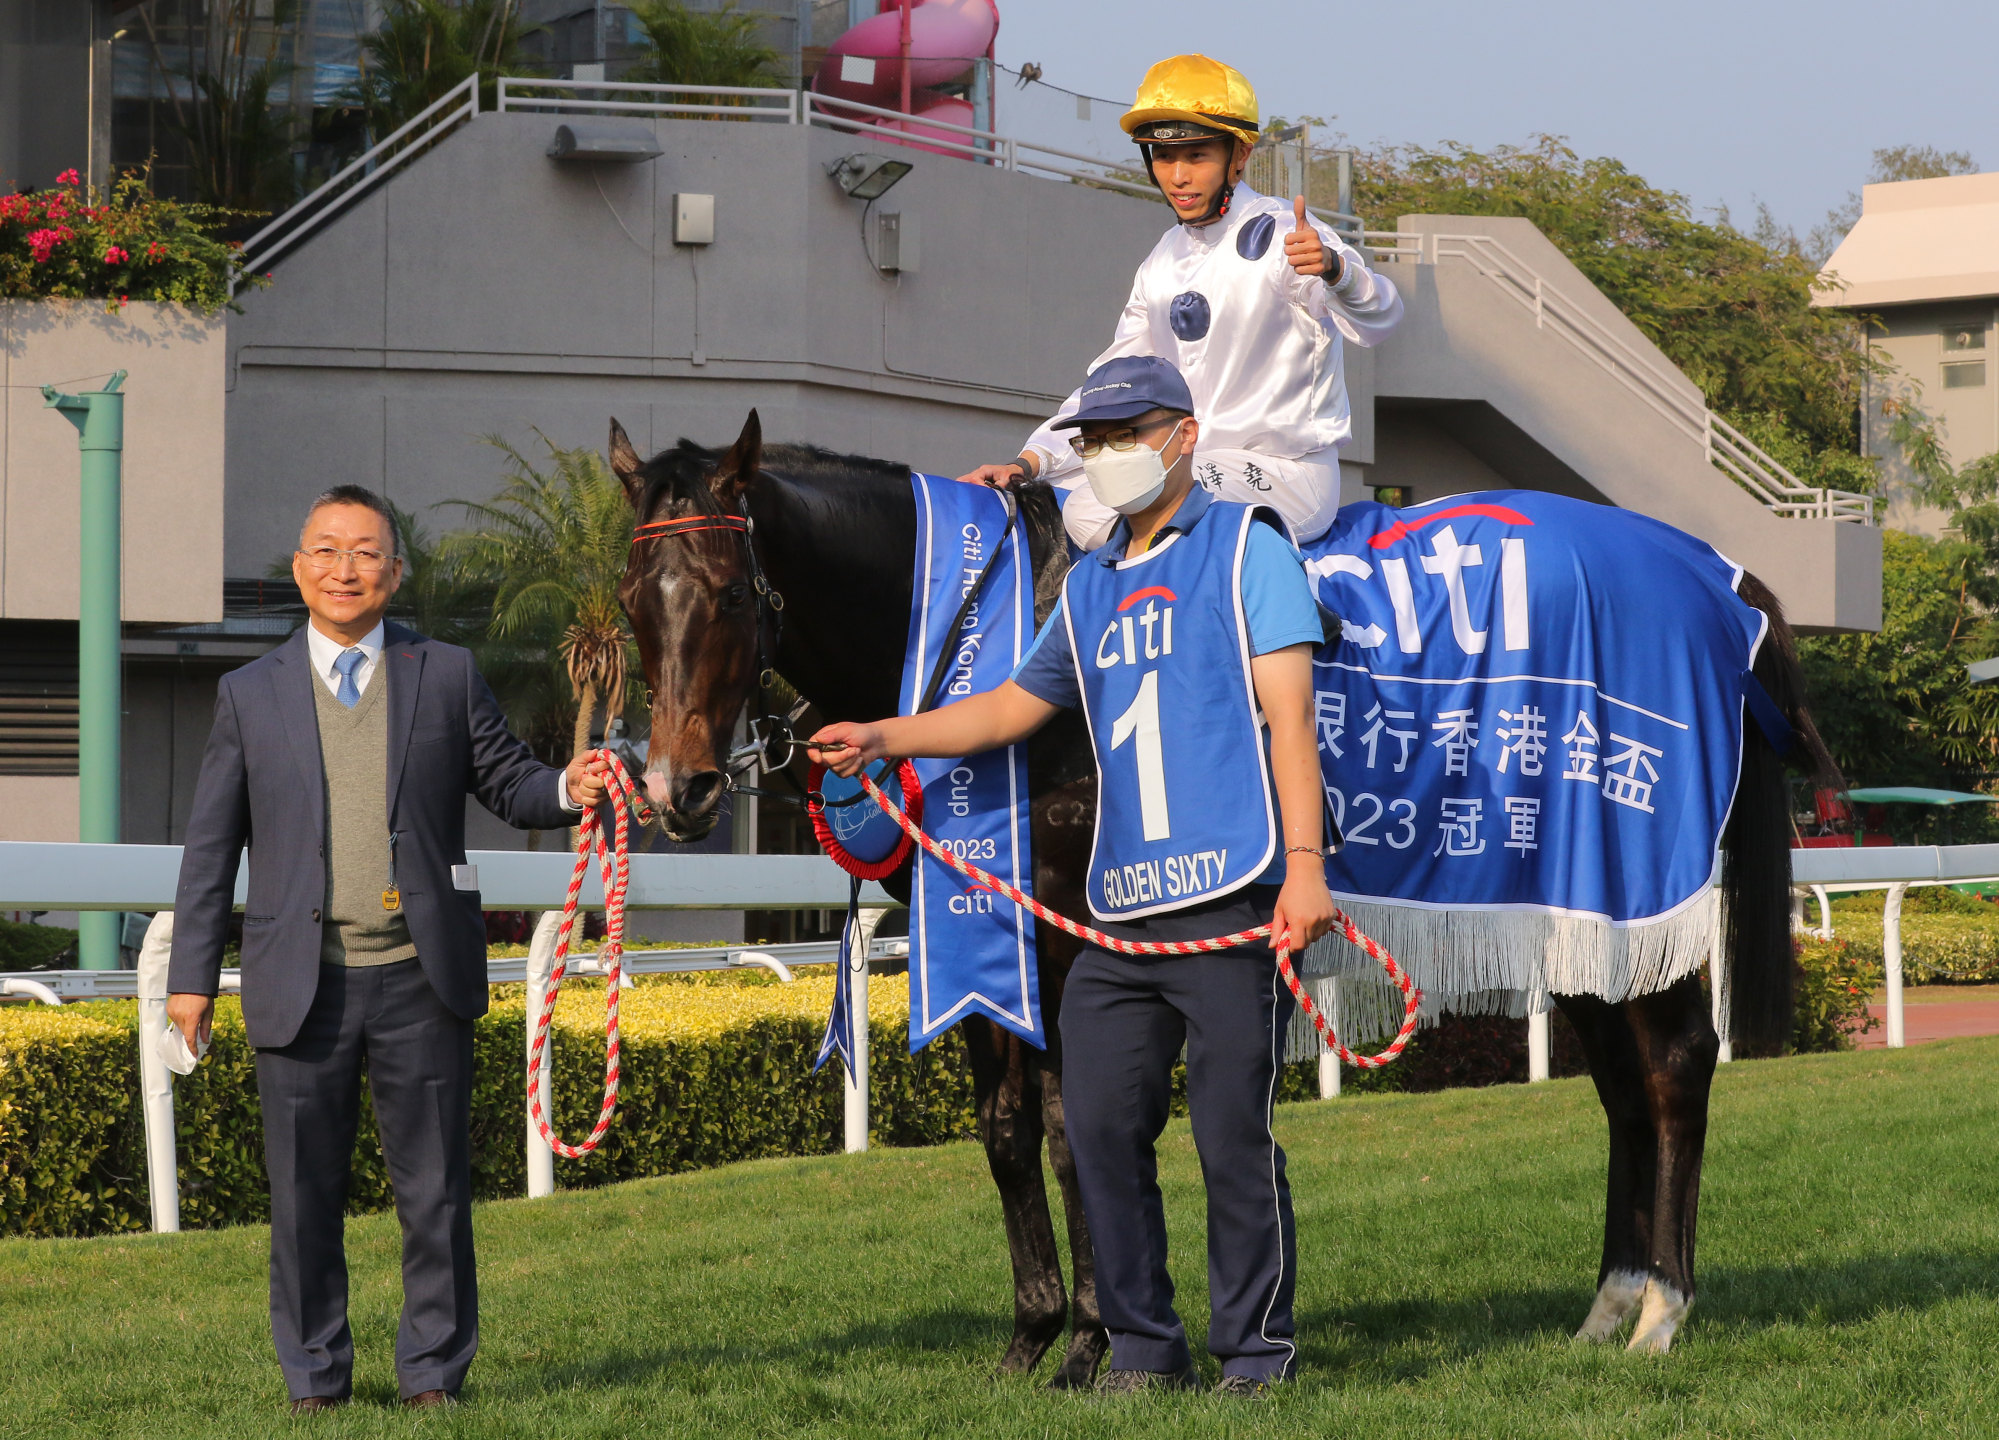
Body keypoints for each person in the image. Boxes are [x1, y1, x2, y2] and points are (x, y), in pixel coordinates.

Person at [813, 356, 1337, 1395]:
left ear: (1183, 436)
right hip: (1118, 914)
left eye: (1125, 434)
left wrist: (1307, 871)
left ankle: (1254, 1359)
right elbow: (1010, 708)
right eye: (1092, 440)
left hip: (1230, 899)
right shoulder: (1090, 584)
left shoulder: (1248, 549)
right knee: (1097, 1130)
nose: (1106, 456)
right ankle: (1144, 1350)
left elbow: (1291, 721)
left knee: (1232, 1140)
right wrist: (886, 734)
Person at [165, 485, 611, 1414]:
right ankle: (315, 1382)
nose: (345, 568)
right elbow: (212, 849)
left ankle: (433, 1377)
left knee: (437, 1195)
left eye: (365, 552)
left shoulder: (443, 673)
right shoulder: (247, 695)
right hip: (301, 983)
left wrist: (569, 785)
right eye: (326, 551)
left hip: (421, 975)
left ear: (394, 572)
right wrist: (190, 981)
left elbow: (510, 782)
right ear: (298, 570)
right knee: (301, 1201)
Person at [959, 53, 1403, 551]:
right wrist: (1029, 463)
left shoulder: (1287, 233)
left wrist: (1336, 271)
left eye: (1196, 156)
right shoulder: (1160, 263)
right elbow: (1111, 388)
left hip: (1284, 475)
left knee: (1107, 503)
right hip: (1194, 466)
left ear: (1240, 155)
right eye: (1164, 157)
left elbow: (1382, 318)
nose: (1178, 176)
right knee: (1075, 497)